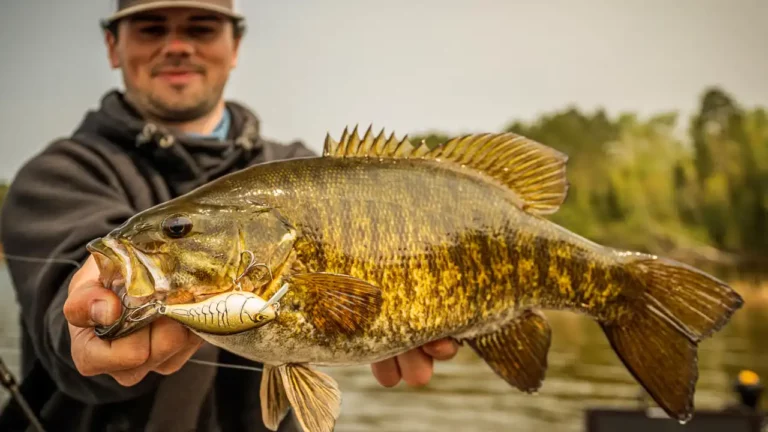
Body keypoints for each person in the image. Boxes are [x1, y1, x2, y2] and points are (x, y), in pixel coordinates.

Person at [0, 1, 458, 430]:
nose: (177, 45)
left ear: (234, 46)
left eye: (200, 28)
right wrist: (95, 321)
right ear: (112, 46)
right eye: (151, 28)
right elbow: (65, 318)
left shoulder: (303, 168)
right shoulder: (55, 177)